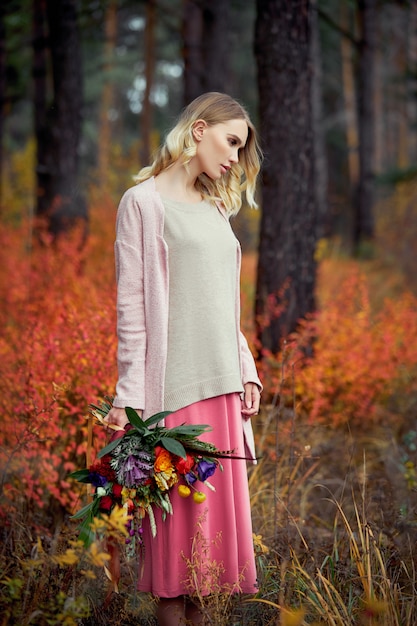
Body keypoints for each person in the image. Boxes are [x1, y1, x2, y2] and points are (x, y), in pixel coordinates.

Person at [105, 92, 262, 626]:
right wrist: (129, 399)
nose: (235, 158)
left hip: (222, 392)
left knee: (208, 567)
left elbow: (223, 302)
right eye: (231, 142)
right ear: (198, 130)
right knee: (174, 566)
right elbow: (132, 312)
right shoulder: (142, 203)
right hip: (173, 397)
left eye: (241, 148)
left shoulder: (216, 206)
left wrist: (246, 368)